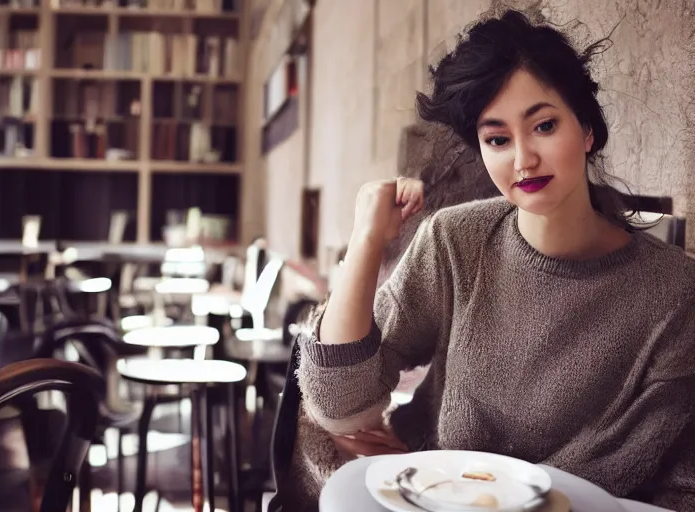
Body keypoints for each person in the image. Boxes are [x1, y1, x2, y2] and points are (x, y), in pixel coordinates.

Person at [291, 8, 695, 511]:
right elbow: (337, 402)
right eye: (497, 139)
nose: (523, 159)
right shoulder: (455, 241)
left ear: (587, 129)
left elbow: (683, 488)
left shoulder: (675, 290)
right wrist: (367, 238)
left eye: (544, 125)